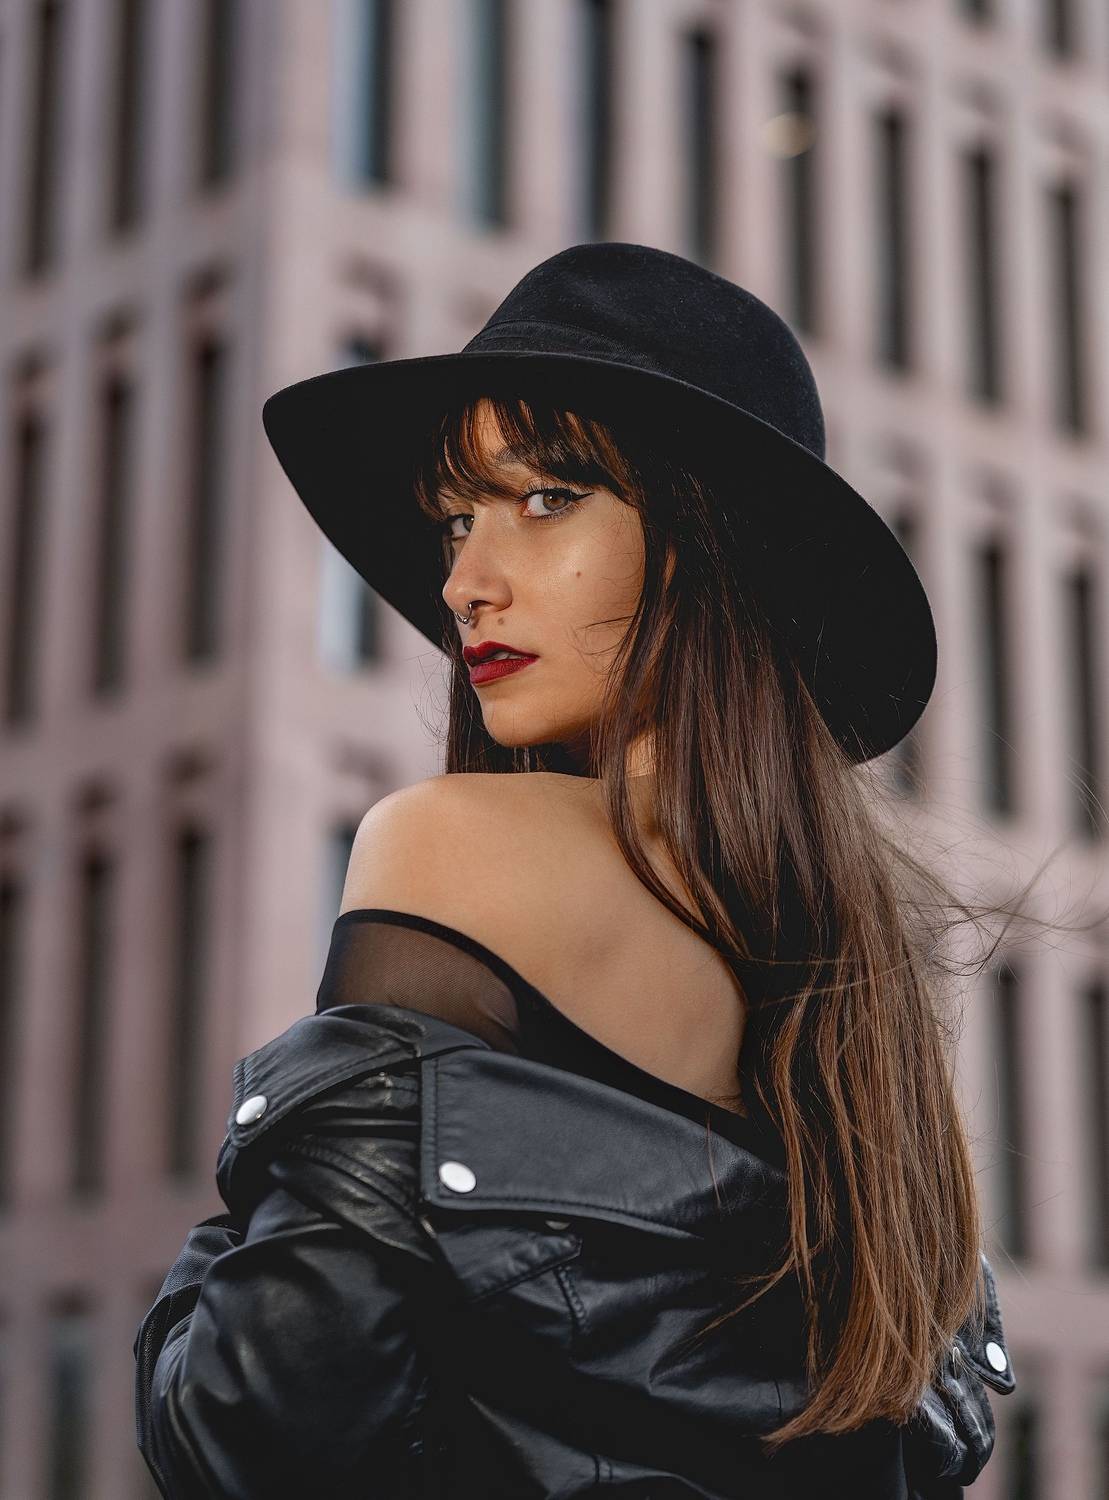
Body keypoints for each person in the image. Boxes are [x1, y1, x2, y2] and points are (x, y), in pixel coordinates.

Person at [134, 242, 1018, 1498]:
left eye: (546, 499)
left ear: (707, 543)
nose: (464, 583)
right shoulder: (858, 982)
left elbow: (257, 1423)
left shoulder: (449, 847)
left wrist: (227, 1224)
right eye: (457, 516)